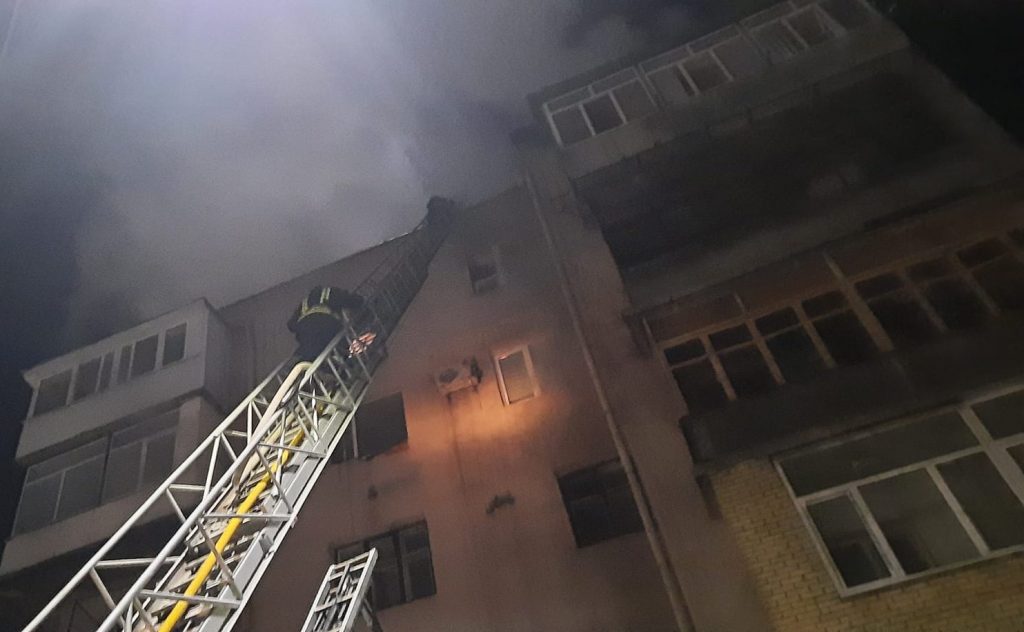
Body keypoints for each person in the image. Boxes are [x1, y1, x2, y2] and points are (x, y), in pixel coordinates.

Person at [287, 285, 364, 362]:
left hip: (304, 332)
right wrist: (359, 300)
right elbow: (348, 300)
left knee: (311, 353)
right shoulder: (329, 292)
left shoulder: (304, 303)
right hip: (326, 325)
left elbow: (291, 325)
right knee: (342, 348)